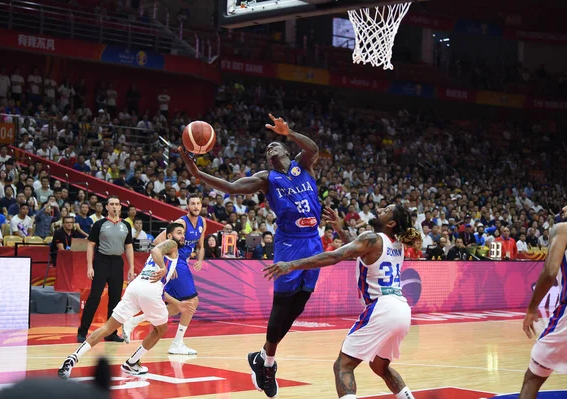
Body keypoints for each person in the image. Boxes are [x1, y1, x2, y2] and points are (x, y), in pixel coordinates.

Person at [178, 114, 322, 397]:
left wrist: (288, 131)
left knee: (298, 308)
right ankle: (267, 363)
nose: (271, 148)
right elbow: (232, 187)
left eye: (275, 145)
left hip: (314, 242)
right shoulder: (266, 179)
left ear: (287, 151)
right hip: (289, 244)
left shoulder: (303, 166)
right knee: (281, 307)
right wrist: (197, 175)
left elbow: (313, 149)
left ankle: (260, 358)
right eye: (267, 149)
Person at [263, 204, 420, 399]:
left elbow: (336, 255)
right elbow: (358, 251)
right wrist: (339, 228)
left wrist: (292, 265)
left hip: (382, 307)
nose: (380, 209)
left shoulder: (372, 239)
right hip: (402, 311)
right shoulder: (397, 244)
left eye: (386, 210)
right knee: (380, 367)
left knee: (343, 366)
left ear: (391, 223)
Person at [58, 223, 196, 379]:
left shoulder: (173, 256)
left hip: (136, 287)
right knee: (160, 330)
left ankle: (73, 357)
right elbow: (155, 250)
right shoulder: (171, 245)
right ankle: (131, 362)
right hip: (149, 290)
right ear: (169, 236)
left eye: (183, 233)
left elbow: (160, 287)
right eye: (179, 233)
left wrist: (176, 302)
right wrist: (163, 267)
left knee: (108, 328)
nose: (183, 235)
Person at [123, 194, 206, 355]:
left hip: (184, 263)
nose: (196, 206)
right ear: (187, 207)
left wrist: (200, 259)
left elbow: (200, 246)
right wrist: (170, 262)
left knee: (176, 306)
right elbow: (157, 242)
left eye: (198, 203)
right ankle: (177, 343)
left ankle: (134, 320)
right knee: (192, 301)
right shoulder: (181, 223)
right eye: (192, 204)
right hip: (177, 262)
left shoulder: (202, 222)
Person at [519, 203, 567, 399]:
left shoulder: (563, 229)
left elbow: (549, 273)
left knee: (533, 377)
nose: (563, 208)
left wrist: (532, 309)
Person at [77, 196, 135, 343]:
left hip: (117, 262)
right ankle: (82, 331)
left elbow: (129, 246)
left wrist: (132, 267)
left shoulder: (126, 225)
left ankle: (111, 333)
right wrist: (90, 266)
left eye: (117, 204)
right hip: (101, 261)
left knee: (115, 299)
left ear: (120, 207)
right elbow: (90, 245)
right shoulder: (99, 224)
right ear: (107, 207)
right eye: (112, 204)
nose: (115, 207)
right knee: (94, 297)